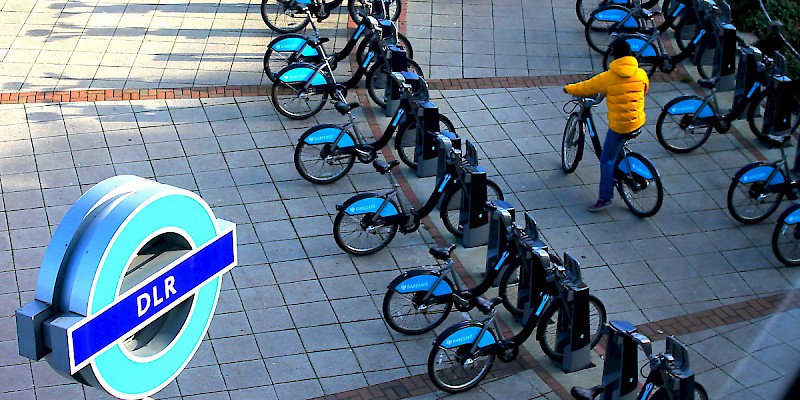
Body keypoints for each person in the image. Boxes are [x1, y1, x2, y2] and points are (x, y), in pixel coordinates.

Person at [563, 41, 650, 212]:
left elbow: (587, 86)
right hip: (638, 120)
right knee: (617, 148)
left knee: (606, 160)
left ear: (614, 56)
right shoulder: (641, 73)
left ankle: (605, 198)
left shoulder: (608, 77)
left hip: (620, 126)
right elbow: (644, 90)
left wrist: (569, 88)